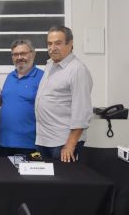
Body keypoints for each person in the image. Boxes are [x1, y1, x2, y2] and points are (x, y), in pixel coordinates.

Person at [35, 26, 93, 162]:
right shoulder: (50, 65)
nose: (52, 47)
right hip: (44, 140)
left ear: (70, 44)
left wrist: (70, 145)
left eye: (58, 43)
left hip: (63, 143)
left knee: (63, 182)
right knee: (46, 182)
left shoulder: (77, 70)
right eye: (49, 44)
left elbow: (82, 112)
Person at [0, 39, 44, 157]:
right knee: (4, 175)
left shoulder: (43, 78)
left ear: (33, 54)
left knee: (29, 176)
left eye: (23, 53)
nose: (19, 57)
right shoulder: (10, 77)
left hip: (30, 144)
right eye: (15, 54)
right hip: (5, 143)